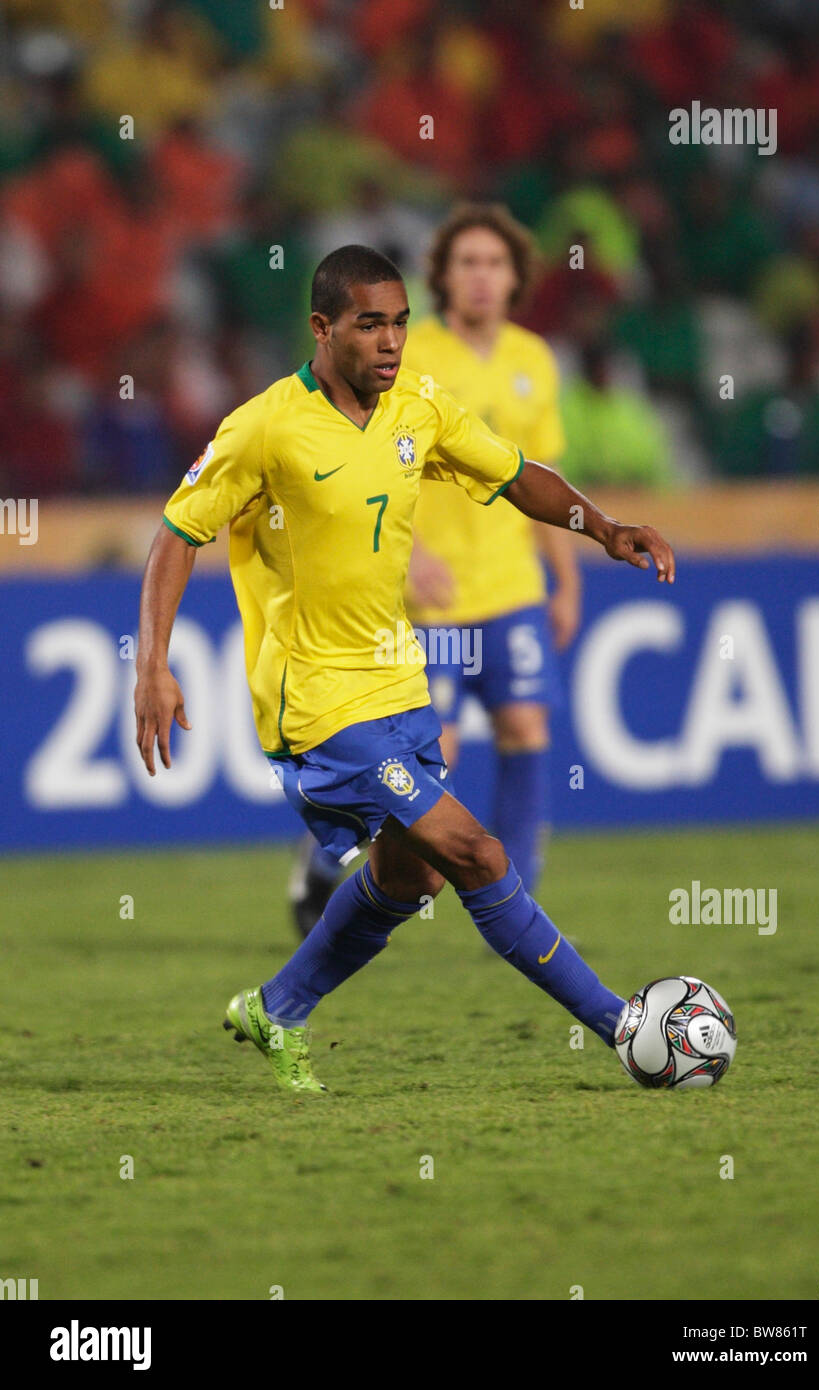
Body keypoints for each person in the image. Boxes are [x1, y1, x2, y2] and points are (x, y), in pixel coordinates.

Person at [134, 245, 675, 1095]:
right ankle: (625, 1027)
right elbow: (176, 533)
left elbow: (513, 474)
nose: (390, 342)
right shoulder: (265, 427)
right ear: (322, 328)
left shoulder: (417, 405)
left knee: (410, 872)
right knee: (474, 852)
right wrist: (152, 668)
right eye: (368, 324)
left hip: (398, 683)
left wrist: (601, 527)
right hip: (314, 700)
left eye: (399, 323)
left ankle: (278, 1009)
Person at [289, 205, 578, 936]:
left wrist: (566, 577)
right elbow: (368, 465)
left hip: (511, 585)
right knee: (431, 753)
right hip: (430, 597)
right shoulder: (407, 357)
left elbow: (536, 475)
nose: (481, 278)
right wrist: (411, 553)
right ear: (443, 278)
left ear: (515, 277)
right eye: (466, 264)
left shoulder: (533, 361)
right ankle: (324, 864)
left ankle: (517, 896)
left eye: (494, 264)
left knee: (523, 725)